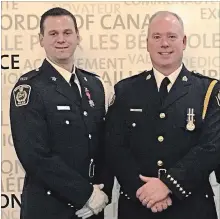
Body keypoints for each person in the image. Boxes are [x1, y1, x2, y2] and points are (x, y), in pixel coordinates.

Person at [105, 11, 220, 219]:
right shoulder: (125, 90)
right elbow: (114, 148)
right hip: (138, 206)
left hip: (192, 207)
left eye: (171, 36)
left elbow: (211, 147)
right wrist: (145, 192)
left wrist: (169, 185)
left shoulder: (208, 91)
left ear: (183, 41)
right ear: (147, 43)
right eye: (156, 37)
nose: (164, 43)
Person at [10, 7, 114, 219]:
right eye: (53, 34)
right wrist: (84, 194)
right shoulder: (30, 88)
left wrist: (103, 193)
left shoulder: (95, 85)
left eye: (67, 33)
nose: (61, 39)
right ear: (41, 39)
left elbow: (106, 143)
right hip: (49, 208)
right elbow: (34, 155)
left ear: (78, 37)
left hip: (91, 209)